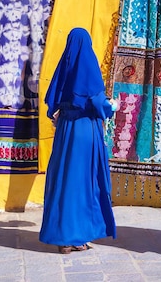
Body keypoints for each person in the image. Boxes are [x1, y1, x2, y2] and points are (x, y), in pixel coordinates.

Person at [39, 28, 119, 254]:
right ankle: (77, 237)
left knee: (65, 181)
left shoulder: (65, 67)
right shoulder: (87, 64)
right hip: (85, 131)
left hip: (66, 131)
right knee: (83, 183)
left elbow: (53, 100)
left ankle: (65, 238)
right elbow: (96, 100)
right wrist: (112, 106)